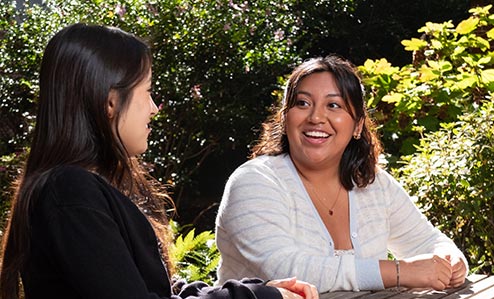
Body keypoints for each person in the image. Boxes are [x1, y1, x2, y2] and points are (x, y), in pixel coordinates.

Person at [0, 23, 318, 299]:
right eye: (148, 92)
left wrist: (263, 290)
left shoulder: (78, 188)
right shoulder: (70, 192)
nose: (154, 108)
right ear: (110, 101)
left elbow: (158, 289)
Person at [215, 55, 468, 293]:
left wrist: (450, 262)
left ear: (357, 125)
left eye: (333, 105)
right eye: (302, 103)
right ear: (285, 118)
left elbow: (428, 241)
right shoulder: (254, 182)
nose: (316, 117)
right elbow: (289, 272)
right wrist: (401, 272)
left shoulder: (373, 184)